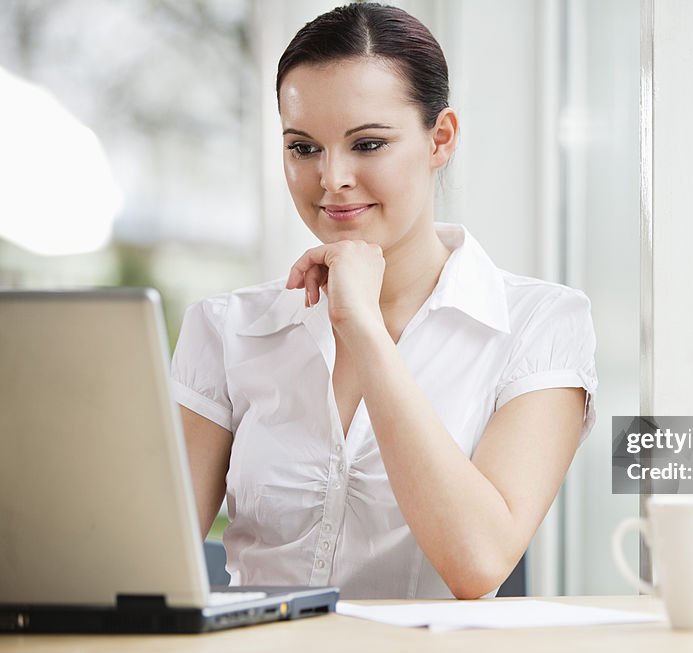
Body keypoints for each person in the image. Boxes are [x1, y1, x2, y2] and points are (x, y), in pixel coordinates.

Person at [170, 3, 597, 600]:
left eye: (367, 144)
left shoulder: (539, 323)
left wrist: (362, 328)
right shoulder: (224, 329)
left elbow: (479, 562)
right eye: (303, 148)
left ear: (439, 139)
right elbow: (150, 562)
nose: (332, 178)